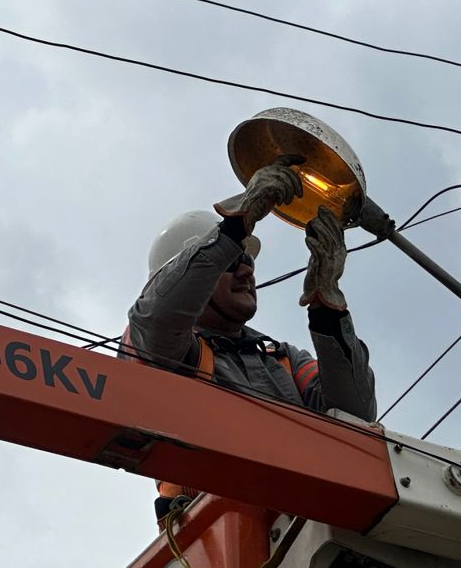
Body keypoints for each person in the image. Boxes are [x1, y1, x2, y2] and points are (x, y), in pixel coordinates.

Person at [123, 161, 378, 522]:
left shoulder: (282, 359)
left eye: (248, 261)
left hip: (304, 522)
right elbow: (158, 319)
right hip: (219, 530)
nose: (246, 270)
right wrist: (234, 226)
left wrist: (328, 305)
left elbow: (357, 415)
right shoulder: (160, 346)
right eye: (232, 260)